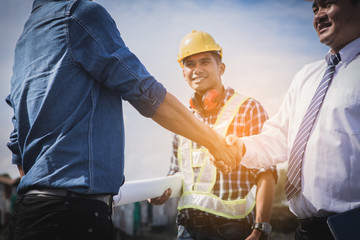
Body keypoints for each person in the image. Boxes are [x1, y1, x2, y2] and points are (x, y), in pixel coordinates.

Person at [5, 1, 237, 240]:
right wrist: (215, 142)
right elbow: (145, 92)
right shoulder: (79, 15)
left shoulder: (26, 37)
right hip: (73, 215)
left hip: (29, 212)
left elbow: (18, 144)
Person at [224, 0, 360, 239]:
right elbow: (281, 136)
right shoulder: (306, 76)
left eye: (327, 4)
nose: (319, 16)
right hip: (306, 230)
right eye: (315, 9)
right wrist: (241, 147)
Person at [149, 30, 277, 240]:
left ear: (221, 67)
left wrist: (260, 228)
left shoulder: (248, 109)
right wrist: (159, 190)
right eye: (190, 64)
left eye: (204, 62)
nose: (197, 69)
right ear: (183, 73)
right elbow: (177, 172)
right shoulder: (180, 119)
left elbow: (266, 171)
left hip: (232, 230)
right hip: (186, 230)